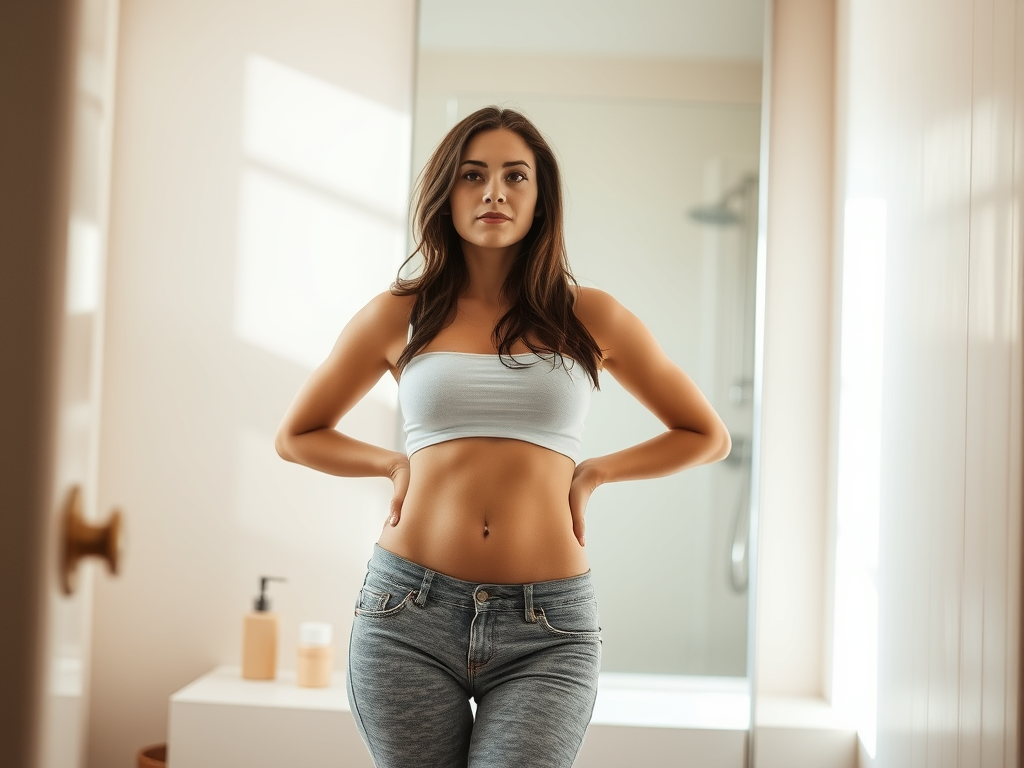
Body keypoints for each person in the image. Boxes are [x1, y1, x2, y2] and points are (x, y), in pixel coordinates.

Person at [274, 106, 731, 768]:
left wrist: (597, 471)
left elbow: (704, 434)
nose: (494, 192)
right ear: (446, 194)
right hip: (408, 614)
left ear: (541, 199)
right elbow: (299, 434)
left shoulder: (589, 315)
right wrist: (392, 466)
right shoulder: (398, 314)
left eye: (516, 176)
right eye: (472, 175)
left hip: (547, 628)